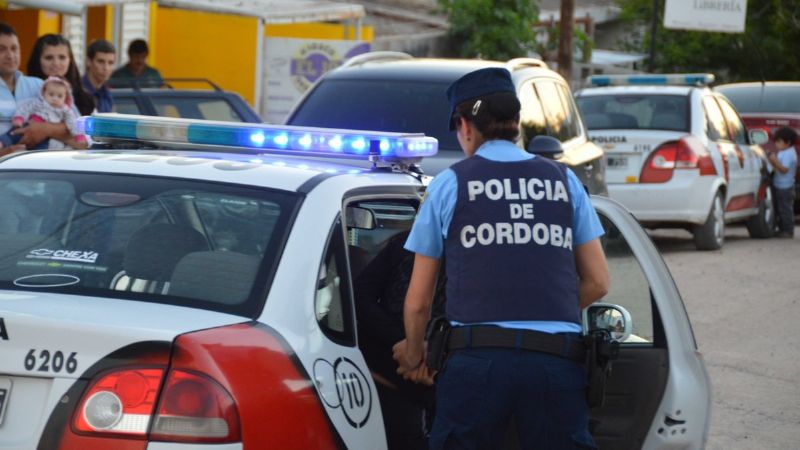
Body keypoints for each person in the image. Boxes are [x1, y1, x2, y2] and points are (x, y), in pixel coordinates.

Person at [392, 68, 610, 449]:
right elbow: (598, 282)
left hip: (475, 365)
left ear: (466, 126)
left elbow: (419, 302)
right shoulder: (564, 180)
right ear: (516, 122)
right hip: (556, 364)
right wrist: (544, 311)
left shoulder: (450, 183)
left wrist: (414, 355)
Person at [0, 76, 86, 149]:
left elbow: (73, 123)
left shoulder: (66, 110)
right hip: (29, 124)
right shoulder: (39, 103)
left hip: (48, 136)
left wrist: (79, 135)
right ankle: (2, 142)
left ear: (66, 97)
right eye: (51, 94)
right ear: (43, 92)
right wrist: (19, 118)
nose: (55, 98)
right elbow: (25, 109)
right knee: (13, 134)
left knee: (42, 149)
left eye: (60, 96)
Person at [0, 22, 44, 155]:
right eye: (1, 49)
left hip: (38, 168)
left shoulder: (39, 86)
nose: (10, 55)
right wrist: (5, 153)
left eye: (14, 48)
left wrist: (47, 129)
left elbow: (73, 123)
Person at [26, 34, 94, 116]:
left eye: (62, 57)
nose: (56, 63)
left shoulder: (84, 99)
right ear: (37, 60)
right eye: (49, 58)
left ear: (70, 60)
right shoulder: (26, 92)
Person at [768, 126, 798, 238]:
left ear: (788, 142)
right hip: (780, 185)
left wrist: (774, 161)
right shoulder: (783, 152)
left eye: (779, 142)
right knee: (780, 208)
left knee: (785, 209)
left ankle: (788, 230)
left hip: (786, 187)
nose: (776, 144)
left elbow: (784, 170)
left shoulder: (789, 153)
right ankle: (781, 229)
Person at [83, 39, 116, 113]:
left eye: (110, 63)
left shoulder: (107, 94)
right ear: (88, 61)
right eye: (100, 61)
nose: (106, 68)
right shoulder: (77, 92)